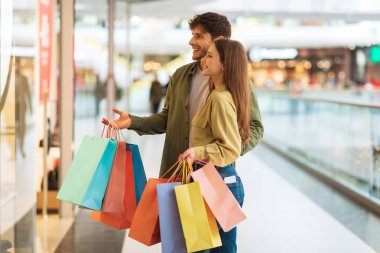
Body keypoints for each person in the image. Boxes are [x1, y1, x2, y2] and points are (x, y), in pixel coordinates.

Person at [102, 12, 264, 178]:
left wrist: (229, 150)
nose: (191, 41)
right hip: (176, 171)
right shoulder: (180, 75)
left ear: (219, 40)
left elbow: (255, 127)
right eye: (192, 35)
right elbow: (167, 118)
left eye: (199, 36)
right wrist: (132, 121)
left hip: (214, 176)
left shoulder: (238, 83)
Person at [179, 39, 249, 252]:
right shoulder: (220, 94)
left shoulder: (220, 99)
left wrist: (196, 151)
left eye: (210, 55)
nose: (204, 59)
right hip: (218, 181)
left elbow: (230, 148)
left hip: (215, 183)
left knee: (200, 248)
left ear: (225, 64)